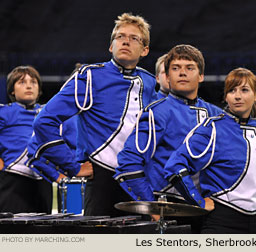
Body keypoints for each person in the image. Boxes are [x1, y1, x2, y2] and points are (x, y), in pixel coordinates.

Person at [27, 13, 157, 217]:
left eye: (134, 38)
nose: (125, 41)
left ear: (145, 50)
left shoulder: (149, 83)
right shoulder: (90, 76)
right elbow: (44, 121)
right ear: (111, 46)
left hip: (139, 181)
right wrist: (72, 166)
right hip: (101, 179)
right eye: (120, 36)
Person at [164, 67, 256, 233]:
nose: (237, 96)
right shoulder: (211, 129)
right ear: (226, 96)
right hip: (221, 222)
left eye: (244, 90)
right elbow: (175, 166)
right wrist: (198, 201)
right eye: (232, 90)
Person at [114, 44, 223, 206]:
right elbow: (128, 164)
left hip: (210, 207)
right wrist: (151, 206)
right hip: (169, 205)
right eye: (176, 68)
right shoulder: (156, 113)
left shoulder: (216, 114)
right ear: (168, 76)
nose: (183, 73)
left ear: (201, 76)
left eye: (190, 68)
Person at [0, 66, 52, 213]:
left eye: (33, 82)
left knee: (42, 231)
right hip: (12, 179)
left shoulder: (48, 113)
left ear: (39, 89)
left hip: (43, 180)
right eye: (22, 82)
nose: (29, 85)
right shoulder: (5, 112)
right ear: (12, 90)